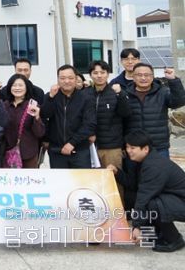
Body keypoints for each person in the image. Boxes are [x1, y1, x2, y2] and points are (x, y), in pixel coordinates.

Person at [108, 131, 185, 253]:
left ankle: (174, 239)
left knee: (153, 204)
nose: (128, 151)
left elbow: (144, 197)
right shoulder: (143, 161)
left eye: (133, 148)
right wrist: (117, 173)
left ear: (145, 149)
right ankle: (159, 233)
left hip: (181, 202)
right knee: (134, 197)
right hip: (173, 199)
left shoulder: (154, 166)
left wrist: (137, 226)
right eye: (127, 147)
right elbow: (134, 185)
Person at [84, 60, 130, 191]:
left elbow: (126, 113)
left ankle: (118, 204)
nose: (99, 75)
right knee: (92, 183)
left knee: (114, 181)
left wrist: (121, 95)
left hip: (112, 146)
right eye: (95, 73)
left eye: (102, 72)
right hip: (89, 146)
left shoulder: (116, 92)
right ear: (90, 75)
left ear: (108, 74)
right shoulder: (84, 93)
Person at [125, 64, 185, 158]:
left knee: (160, 168)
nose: (143, 78)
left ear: (152, 76)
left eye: (147, 75)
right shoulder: (125, 94)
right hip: (134, 146)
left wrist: (173, 80)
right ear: (133, 77)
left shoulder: (162, 92)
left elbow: (179, 102)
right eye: (139, 75)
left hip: (159, 147)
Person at [41, 65, 96, 169]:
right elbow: (44, 115)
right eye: (62, 78)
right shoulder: (51, 96)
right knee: (60, 179)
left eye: (70, 78)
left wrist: (72, 143)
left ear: (76, 79)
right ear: (58, 79)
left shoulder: (86, 98)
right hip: (57, 151)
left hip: (80, 150)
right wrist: (50, 97)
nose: (66, 81)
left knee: (81, 179)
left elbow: (89, 124)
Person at [1, 74, 45, 168]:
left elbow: (39, 133)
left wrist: (37, 117)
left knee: (29, 177)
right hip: (8, 153)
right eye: (14, 85)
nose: (17, 88)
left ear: (26, 88)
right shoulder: (5, 105)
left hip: (28, 154)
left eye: (20, 85)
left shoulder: (32, 105)